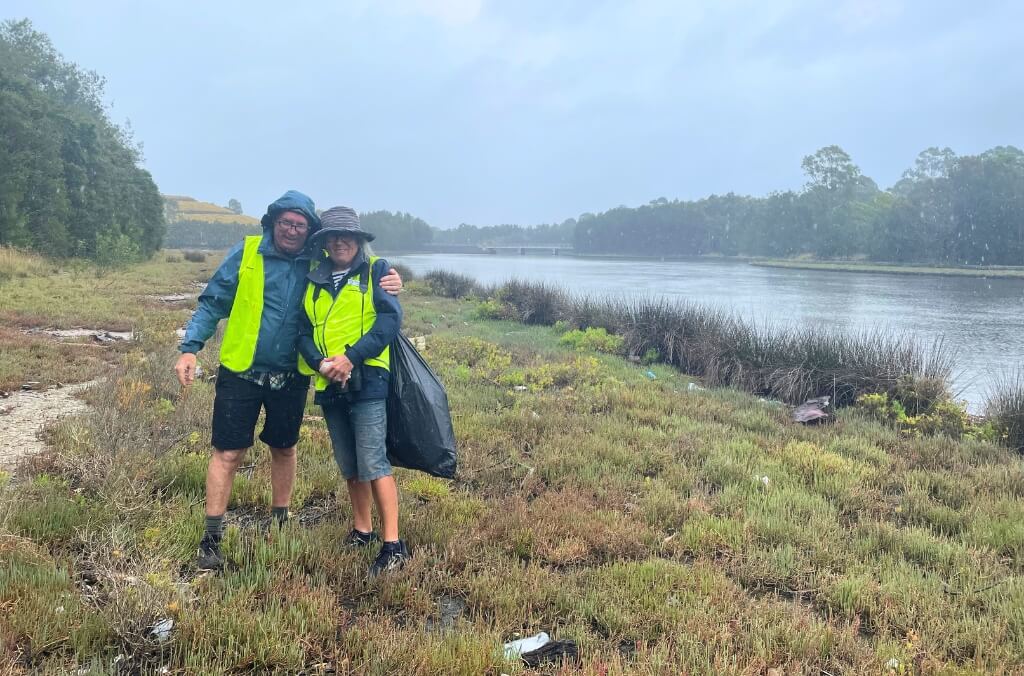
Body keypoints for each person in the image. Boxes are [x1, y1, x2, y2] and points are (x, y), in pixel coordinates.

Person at [174, 190, 403, 572]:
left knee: (284, 447)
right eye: (286, 223)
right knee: (228, 453)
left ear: (309, 231)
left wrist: (391, 278)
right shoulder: (247, 252)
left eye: (300, 225)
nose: (293, 231)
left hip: (292, 375)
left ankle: (281, 518)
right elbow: (214, 301)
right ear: (273, 223)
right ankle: (212, 537)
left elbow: (360, 266)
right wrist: (189, 347)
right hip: (241, 371)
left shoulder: (317, 261)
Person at [296, 206, 409, 577]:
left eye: (347, 235)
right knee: (349, 465)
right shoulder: (314, 279)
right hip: (330, 381)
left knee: (374, 463)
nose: (340, 241)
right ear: (324, 243)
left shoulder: (377, 273)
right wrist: (320, 363)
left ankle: (393, 545)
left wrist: (350, 357)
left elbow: (390, 322)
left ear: (359, 240)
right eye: (333, 236)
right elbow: (302, 331)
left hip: (369, 380)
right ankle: (363, 530)